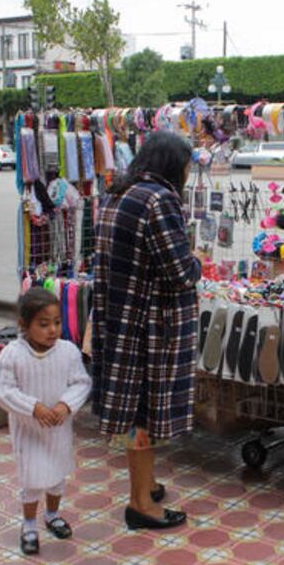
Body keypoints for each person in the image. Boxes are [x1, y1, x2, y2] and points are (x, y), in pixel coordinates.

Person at [92, 131, 202, 530]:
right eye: (187, 166)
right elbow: (179, 271)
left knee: (136, 409)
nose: (189, 174)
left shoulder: (119, 192)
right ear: (173, 165)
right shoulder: (160, 199)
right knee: (145, 413)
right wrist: (197, 265)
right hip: (149, 329)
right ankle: (141, 504)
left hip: (120, 321)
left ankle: (146, 483)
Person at [0, 287, 92, 555]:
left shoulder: (68, 352)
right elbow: (3, 391)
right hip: (29, 431)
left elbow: (81, 382)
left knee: (58, 476)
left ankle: (52, 515)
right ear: (25, 325)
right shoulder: (13, 354)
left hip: (58, 430)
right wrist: (33, 407)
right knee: (32, 480)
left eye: (57, 323)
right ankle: (28, 525)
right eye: (43, 324)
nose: (52, 330)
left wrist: (66, 404)